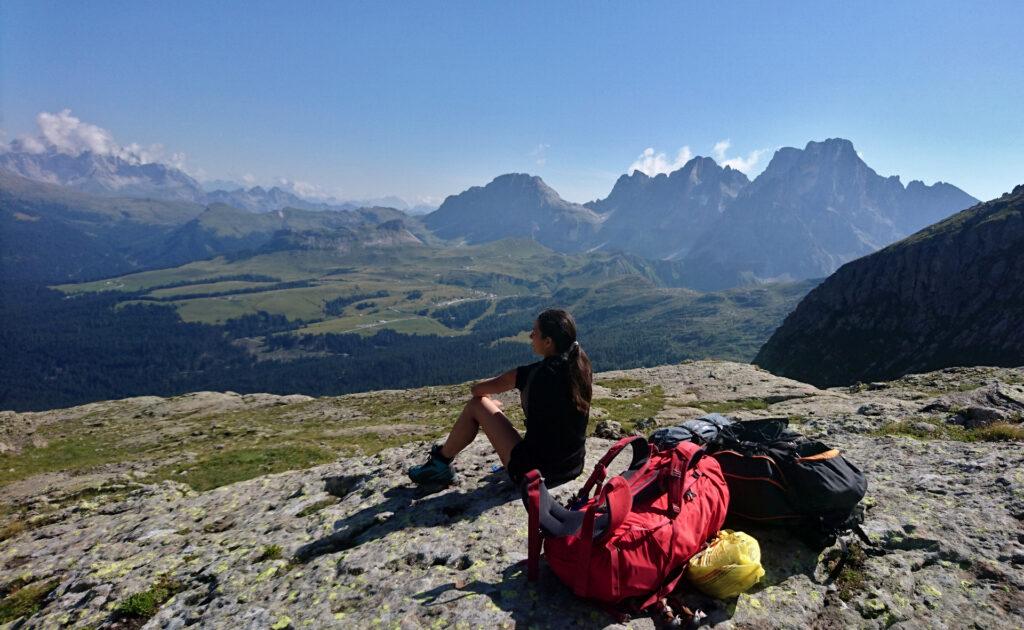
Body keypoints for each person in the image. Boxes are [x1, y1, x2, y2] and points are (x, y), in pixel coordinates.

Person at [407, 308, 593, 488]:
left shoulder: (530, 374)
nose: (530, 336)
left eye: (535, 332)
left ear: (548, 342)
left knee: (476, 405)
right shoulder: (581, 365)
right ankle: (440, 464)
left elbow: (477, 390)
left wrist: (490, 407)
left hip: (535, 473)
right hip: (572, 466)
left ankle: (440, 464)